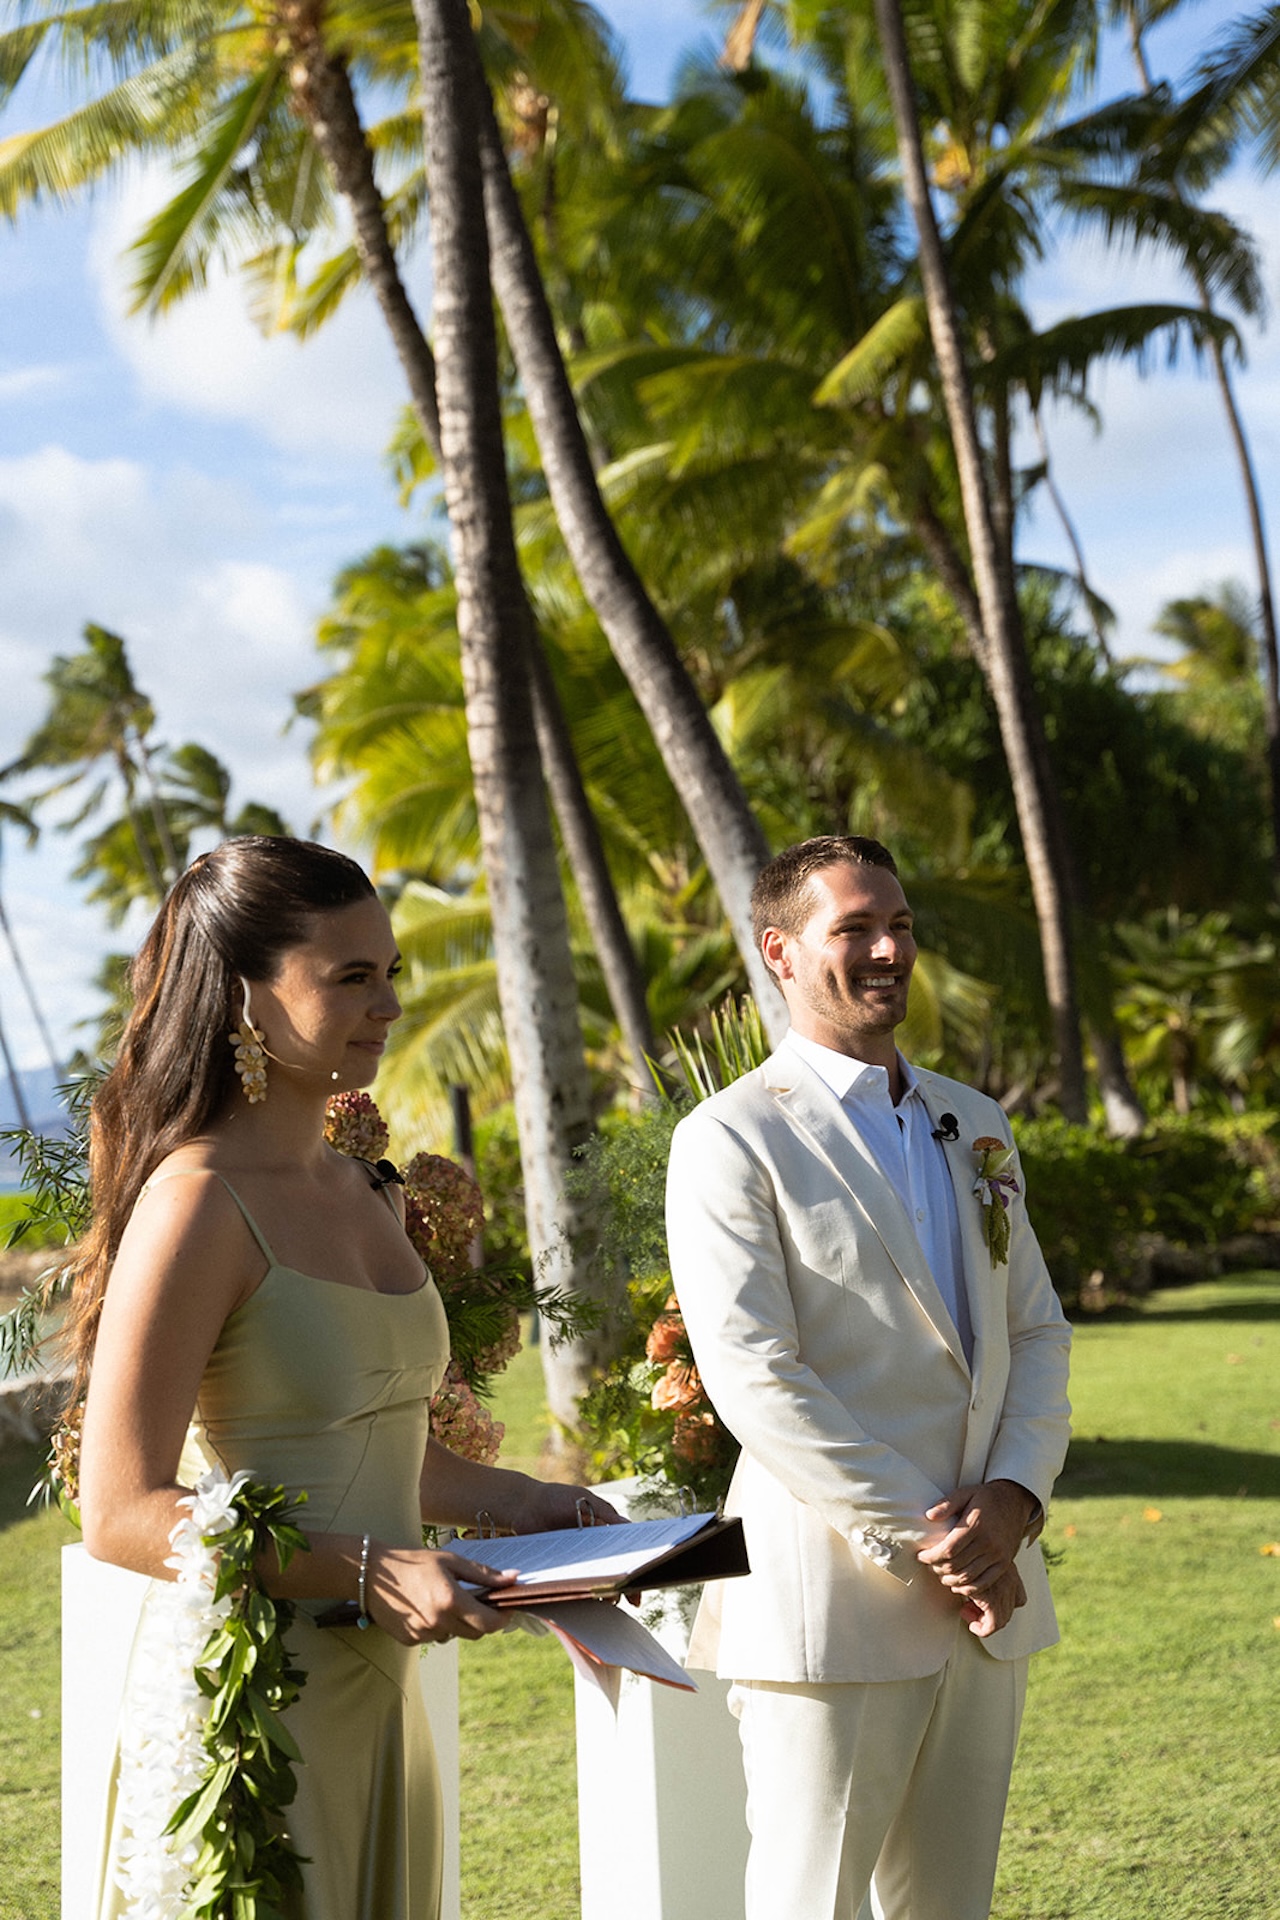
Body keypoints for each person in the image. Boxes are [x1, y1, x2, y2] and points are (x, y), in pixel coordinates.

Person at [72, 836, 619, 1920]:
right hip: (254, 1715)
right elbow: (120, 1511)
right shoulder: (194, 1206)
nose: (388, 1005)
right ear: (244, 997)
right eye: (349, 977)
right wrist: (365, 1569)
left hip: (382, 1692)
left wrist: (538, 1508)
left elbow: (373, 1442)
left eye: (392, 974)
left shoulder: (363, 1187)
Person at [665, 835, 1071, 1920]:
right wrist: (944, 1539)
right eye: (852, 928)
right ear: (780, 953)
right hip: (828, 1610)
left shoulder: (974, 1121)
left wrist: (1013, 1501)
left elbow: (1033, 1331)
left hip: (988, 1597)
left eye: (897, 924)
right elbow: (754, 1374)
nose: (887, 948)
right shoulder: (729, 1138)